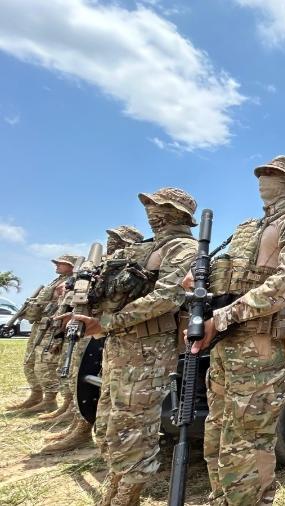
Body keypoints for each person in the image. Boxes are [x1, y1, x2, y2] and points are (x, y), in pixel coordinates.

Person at [186, 155, 285, 505]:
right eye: (263, 172)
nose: (263, 178)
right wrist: (201, 279)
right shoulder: (251, 227)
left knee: (247, 444)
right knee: (217, 438)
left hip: (260, 347)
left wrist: (224, 317)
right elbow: (231, 277)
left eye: (273, 174)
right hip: (228, 346)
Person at [69, 188, 197, 506]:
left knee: (135, 426)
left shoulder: (185, 248)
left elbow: (168, 296)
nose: (151, 212)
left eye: (160, 207)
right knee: (111, 420)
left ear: (181, 214)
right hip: (119, 346)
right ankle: (115, 486)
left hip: (148, 349)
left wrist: (110, 322)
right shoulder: (143, 249)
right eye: (149, 206)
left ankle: (128, 496)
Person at [40, 225, 144, 453]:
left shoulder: (133, 262)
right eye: (111, 239)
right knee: (80, 376)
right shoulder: (104, 265)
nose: (112, 243)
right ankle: (79, 425)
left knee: (98, 383)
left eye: (117, 239)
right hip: (92, 325)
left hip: (106, 329)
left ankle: (84, 428)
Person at [6, 255, 78, 414]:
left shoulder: (73, 281)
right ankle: (36, 396)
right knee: (30, 361)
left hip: (52, 328)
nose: (57, 265)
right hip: (40, 324)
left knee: (44, 364)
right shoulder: (56, 280)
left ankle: (49, 400)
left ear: (72, 266)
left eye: (61, 263)